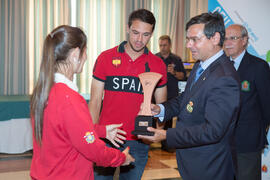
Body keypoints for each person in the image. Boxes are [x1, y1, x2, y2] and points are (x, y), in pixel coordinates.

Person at [138, 12, 241, 180]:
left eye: (194, 39)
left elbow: (213, 131)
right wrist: (161, 109)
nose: (188, 45)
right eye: (188, 39)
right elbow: (187, 98)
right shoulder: (201, 65)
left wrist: (166, 135)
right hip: (194, 162)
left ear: (215, 38)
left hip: (210, 167)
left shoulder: (224, 78)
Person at [30, 25, 135, 180]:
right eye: (85, 51)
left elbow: (67, 130)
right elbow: (92, 149)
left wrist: (101, 131)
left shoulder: (43, 91)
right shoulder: (69, 98)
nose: (86, 57)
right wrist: (121, 158)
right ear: (76, 53)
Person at [88, 9, 167, 180]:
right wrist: (93, 136)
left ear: (152, 34)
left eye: (146, 35)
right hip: (106, 138)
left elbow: (163, 105)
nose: (139, 40)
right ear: (127, 28)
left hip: (138, 140)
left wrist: (156, 134)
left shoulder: (157, 64)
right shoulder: (106, 58)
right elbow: (94, 101)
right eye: (135, 33)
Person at [224, 24, 270, 180]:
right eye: (225, 38)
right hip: (222, 142)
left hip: (248, 142)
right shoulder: (221, 66)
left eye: (233, 38)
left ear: (244, 40)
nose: (228, 42)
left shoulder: (259, 66)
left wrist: (259, 132)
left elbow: (267, 105)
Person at [156, 35, 186, 152]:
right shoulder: (154, 58)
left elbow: (183, 76)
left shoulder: (176, 59)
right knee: (153, 118)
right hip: (156, 94)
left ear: (170, 45)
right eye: (161, 45)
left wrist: (174, 72)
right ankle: (148, 144)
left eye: (165, 45)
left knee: (167, 120)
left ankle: (166, 145)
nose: (162, 48)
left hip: (171, 94)